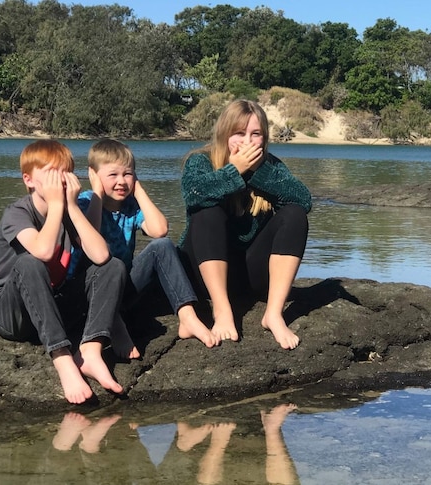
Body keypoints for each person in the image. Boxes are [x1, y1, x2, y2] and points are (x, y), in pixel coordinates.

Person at [0, 139, 132, 405]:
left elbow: (100, 255)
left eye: (65, 172)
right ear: (29, 180)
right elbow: (42, 252)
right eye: (51, 173)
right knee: (29, 263)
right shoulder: (17, 213)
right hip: (11, 315)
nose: (60, 180)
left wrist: (72, 207)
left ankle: (90, 350)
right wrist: (56, 207)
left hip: (53, 306)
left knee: (113, 266)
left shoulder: (68, 211)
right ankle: (63, 360)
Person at [179, 99, 311, 350]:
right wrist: (234, 171)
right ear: (224, 134)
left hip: (250, 274)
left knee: (294, 215)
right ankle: (221, 309)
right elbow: (193, 195)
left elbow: (303, 200)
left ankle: (273, 313)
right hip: (204, 271)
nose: (247, 141)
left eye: (255, 134)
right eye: (239, 133)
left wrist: (254, 172)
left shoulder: (271, 166)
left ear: (265, 138)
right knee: (206, 211)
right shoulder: (200, 161)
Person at [76, 138, 219, 348]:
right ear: (94, 175)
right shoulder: (86, 202)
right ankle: (113, 323)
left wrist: (139, 189)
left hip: (126, 287)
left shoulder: (130, 206)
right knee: (105, 261)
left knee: (162, 245)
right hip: (96, 292)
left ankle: (187, 316)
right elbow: (89, 239)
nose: (121, 181)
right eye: (113, 175)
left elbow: (159, 230)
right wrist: (97, 192)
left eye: (127, 174)